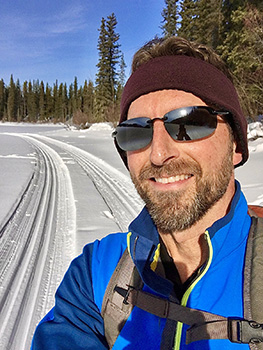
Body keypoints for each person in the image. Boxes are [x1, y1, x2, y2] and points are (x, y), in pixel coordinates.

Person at [31, 36, 255, 349]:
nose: (158, 153)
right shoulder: (96, 273)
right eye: (136, 131)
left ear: (235, 145)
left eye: (189, 123)